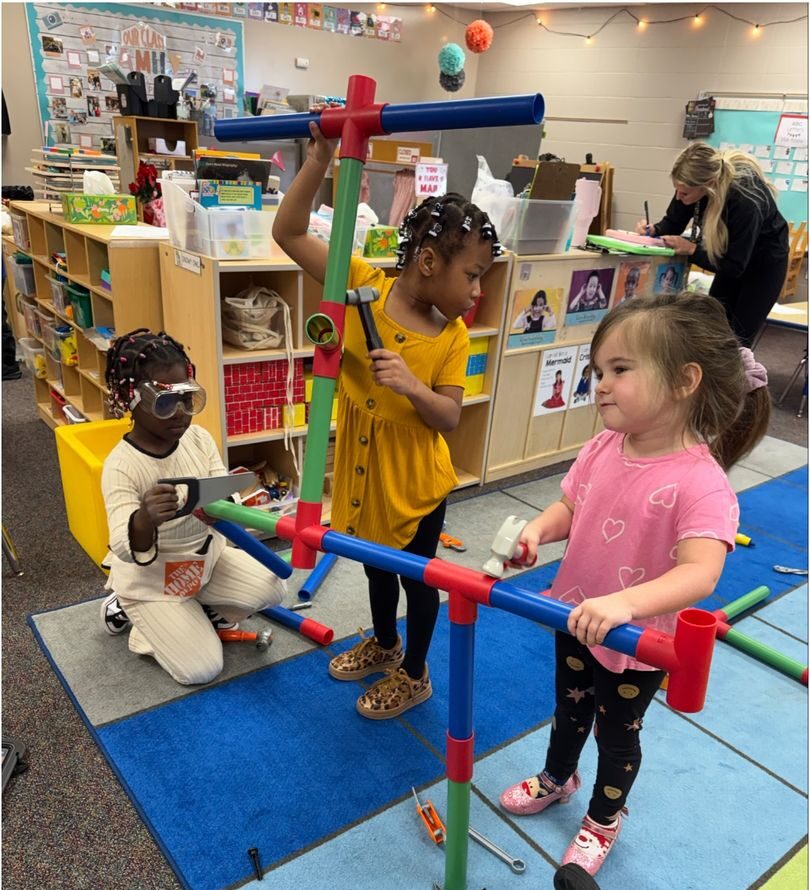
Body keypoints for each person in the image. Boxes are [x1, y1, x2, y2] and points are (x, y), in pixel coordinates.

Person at [498, 290, 771, 878]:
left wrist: (623, 605)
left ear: (683, 380)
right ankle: (558, 777)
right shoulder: (602, 447)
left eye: (619, 370)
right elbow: (571, 504)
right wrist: (537, 532)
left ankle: (603, 817)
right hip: (574, 615)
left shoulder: (701, 483)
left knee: (617, 734)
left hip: (635, 642)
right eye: (599, 370)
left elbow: (701, 571)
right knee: (568, 709)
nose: (599, 383)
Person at [273, 120, 501, 719]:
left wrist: (411, 386)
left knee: (417, 579)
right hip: (363, 465)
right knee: (374, 563)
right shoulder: (360, 283)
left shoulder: (452, 337)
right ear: (427, 261)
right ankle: (384, 641)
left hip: (416, 484)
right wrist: (319, 162)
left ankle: (417, 672)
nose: (477, 290)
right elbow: (288, 231)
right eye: (471, 275)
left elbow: (450, 416)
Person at [99, 329, 286, 685]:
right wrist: (144, 520)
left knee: (273, 588)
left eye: (188, 398)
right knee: (201, 669)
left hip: (205, 562)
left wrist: (225, 503)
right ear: (131, 398)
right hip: (153, 582)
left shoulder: (198, 439)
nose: (182, 414)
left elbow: (223, 492)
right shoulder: (121, 465)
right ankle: (135, 617)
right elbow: (122, 544)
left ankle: (192, 614)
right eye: (166, 403)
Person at [636, 142, 789, 347]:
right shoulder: (692, 187)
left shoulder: (746, 200)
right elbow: (673, 222)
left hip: (763, 264)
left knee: (737, 341)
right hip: (731, 257)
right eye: (677, 191)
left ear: (709, 184)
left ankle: (738, 377)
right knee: (712, 327)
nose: (679, 197)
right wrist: (654, 230)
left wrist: (691, 249)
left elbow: (734, 265)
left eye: (684, 193)